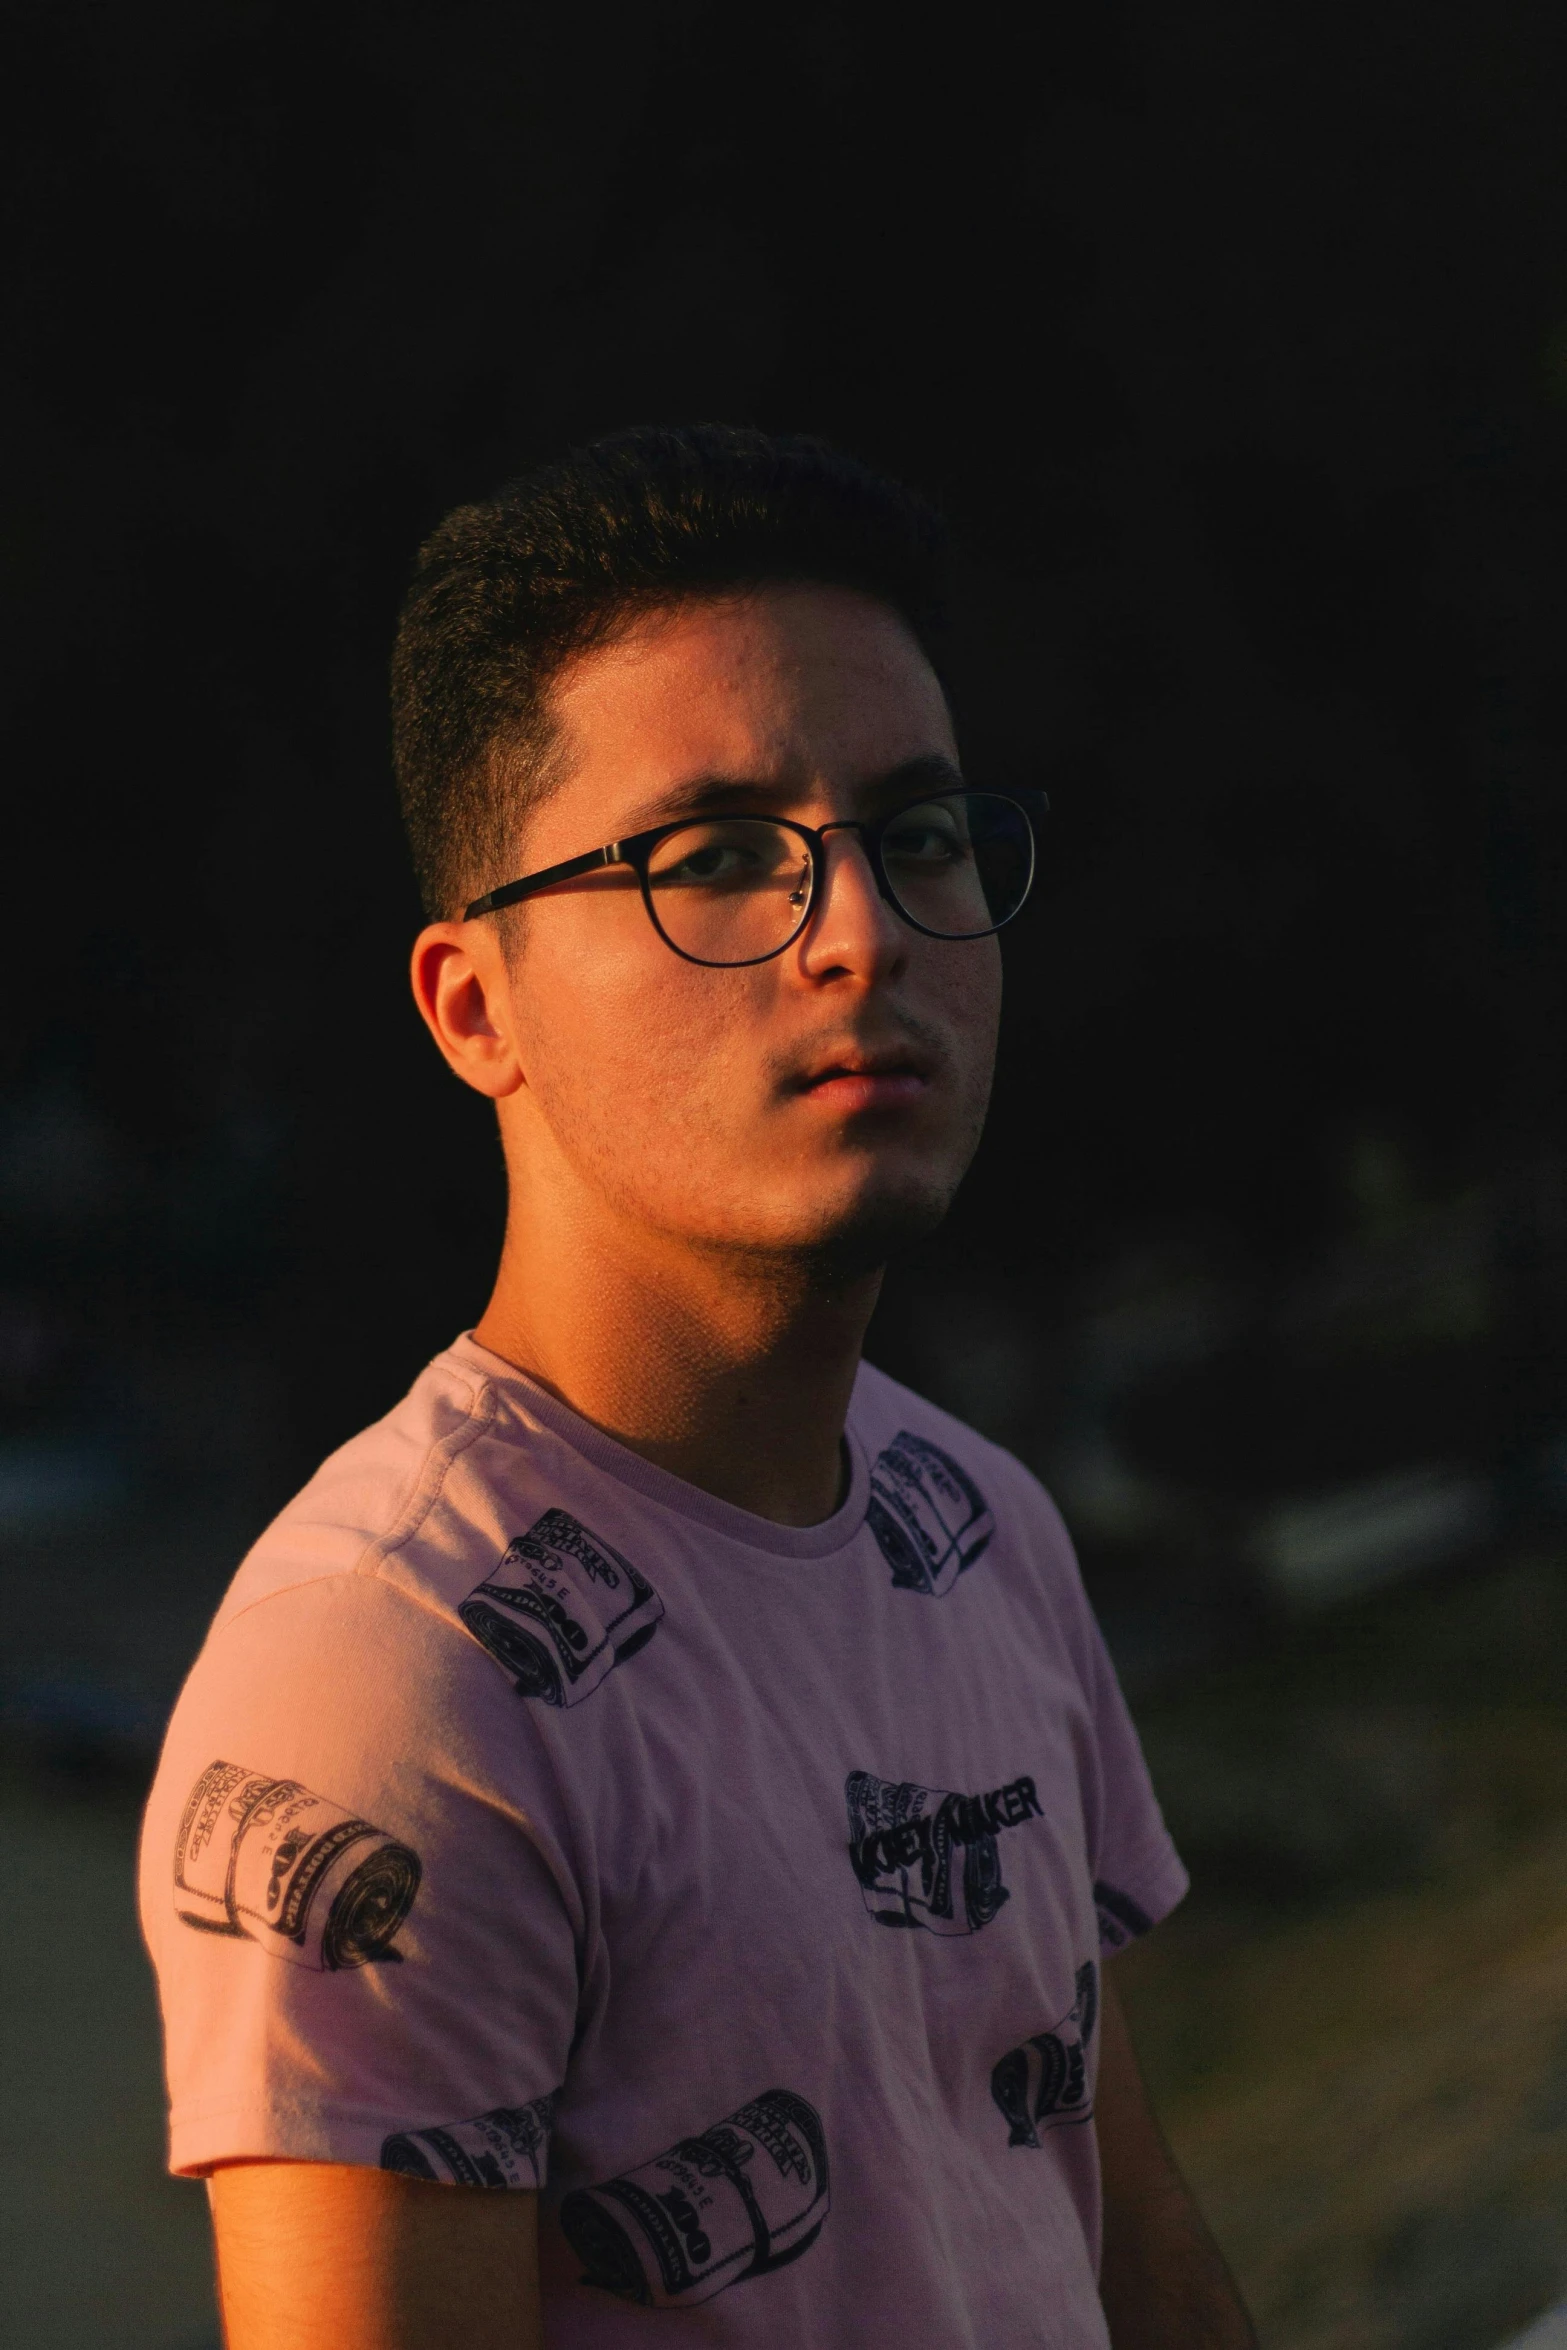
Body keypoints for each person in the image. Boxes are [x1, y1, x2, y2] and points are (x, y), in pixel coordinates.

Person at [140, 424, 1256, 2348]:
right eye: (717, 857)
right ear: (474, 1006)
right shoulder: (393, 1686)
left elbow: (1118, 2233)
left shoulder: (969, 1523)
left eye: (915, 833)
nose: (860, 934)